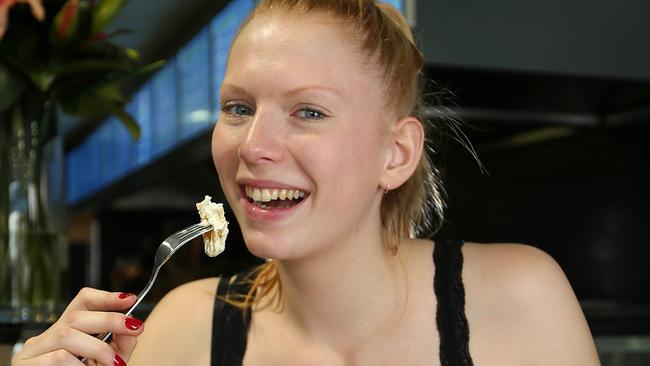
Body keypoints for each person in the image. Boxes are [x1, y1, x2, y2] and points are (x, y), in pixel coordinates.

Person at [12, 0, 601, 365]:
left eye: (309, 112)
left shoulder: (521, 302)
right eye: (238, 108)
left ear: (396, 155)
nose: (253, 146)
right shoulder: (179, 330)